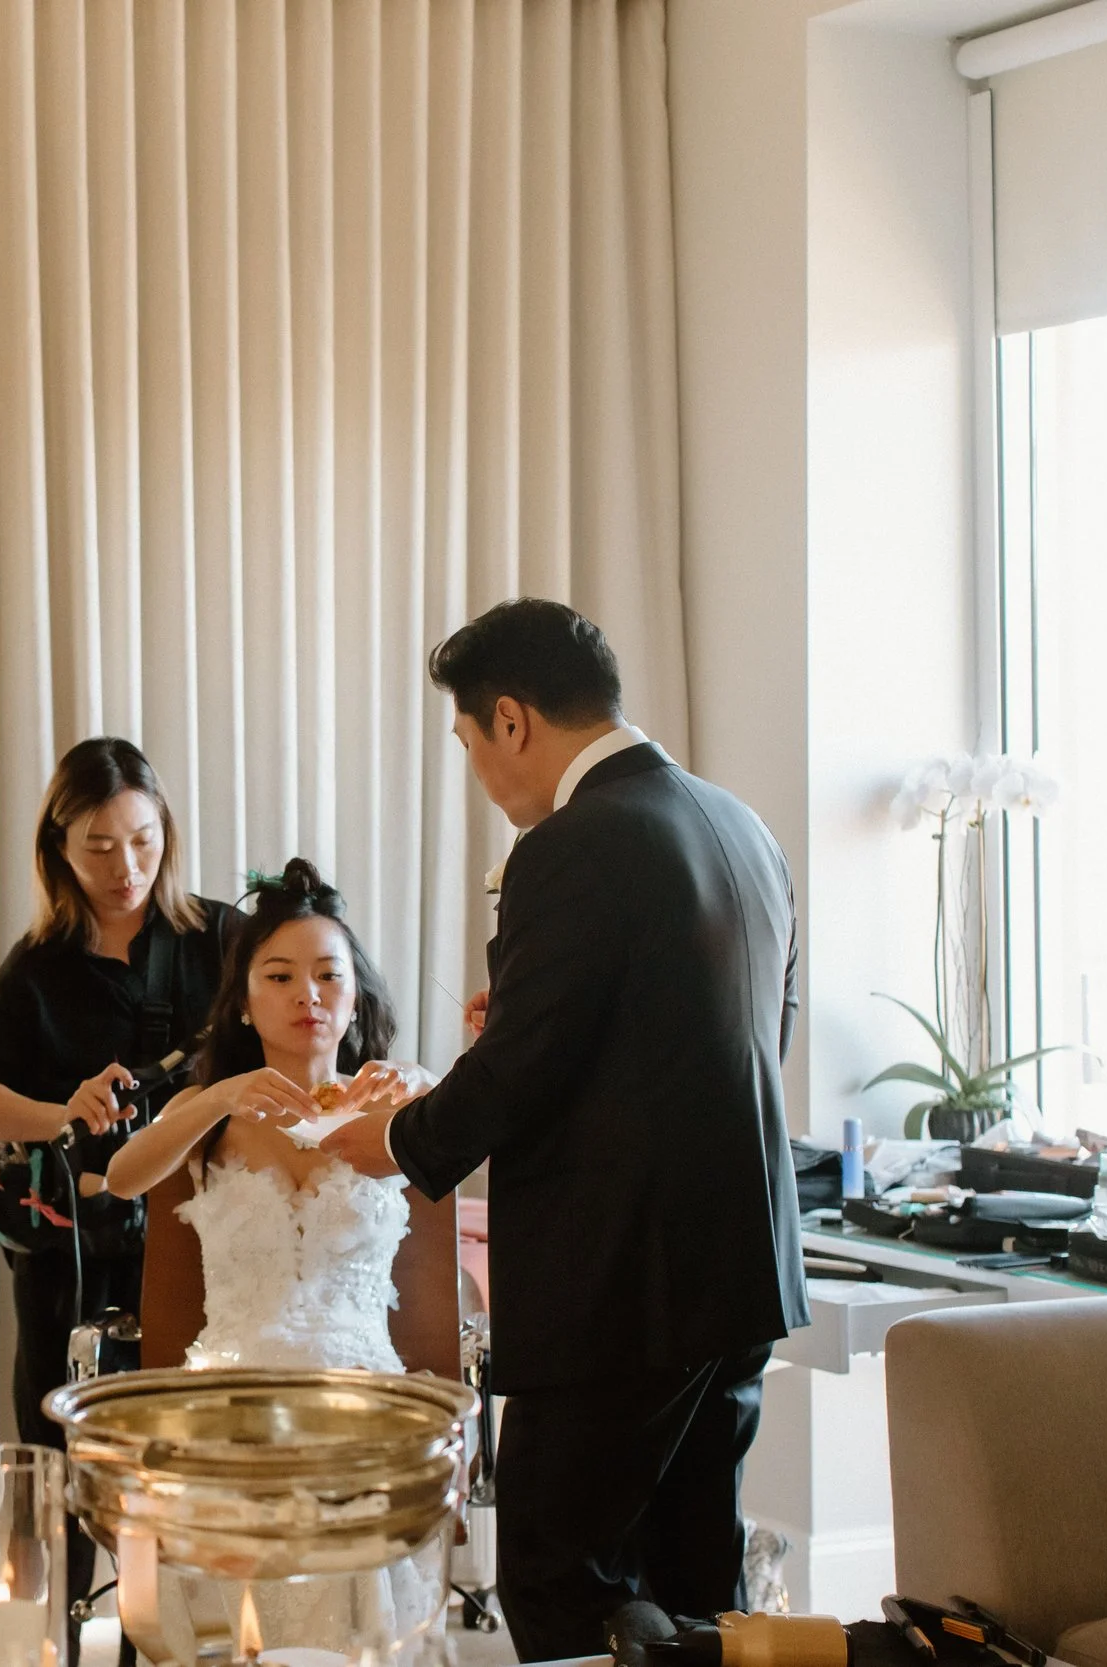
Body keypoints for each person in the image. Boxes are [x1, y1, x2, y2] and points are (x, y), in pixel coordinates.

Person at [323, 598, 809, 1662]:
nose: (482, 775)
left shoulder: (572, 844)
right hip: (738, 1268)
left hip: (619, 1289)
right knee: (695, 1578)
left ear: (510, 719)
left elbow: (524, 1065)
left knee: (557, 1578)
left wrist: (400, 1140)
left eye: (467, 743)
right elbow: (752, 1028)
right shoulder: (738, 824)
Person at [0, 737, 237, 1619]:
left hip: (198, 1244)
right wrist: (66, 1112)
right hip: (67, 1250)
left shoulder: (221, 938)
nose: (127, 868)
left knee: (189, 1456)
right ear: (59, 850)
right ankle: (56, 1634)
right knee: (58, 1455)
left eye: (144, 841)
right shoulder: (38, 967)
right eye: (100, 848)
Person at [105, 859, 435, 1373]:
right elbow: (122, 1179)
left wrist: (429, 1084)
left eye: (329, 975)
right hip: (229, 1398)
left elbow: (494, 1152)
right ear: (243, 1000)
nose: (308, 994)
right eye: (280, 976)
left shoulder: (393, 1104)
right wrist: (218, 1099)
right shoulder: (207, 1108)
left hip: (366, 1403)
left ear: (355, 999)